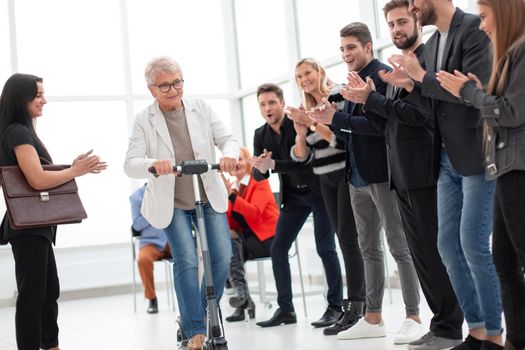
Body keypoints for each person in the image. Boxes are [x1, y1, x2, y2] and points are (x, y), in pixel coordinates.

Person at [340, 1, 465, 348]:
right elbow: (388, 123)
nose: (396, 29)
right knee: (422, 253)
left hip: (423, 170)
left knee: (433, 252)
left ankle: (450, 326)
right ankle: (441, 323)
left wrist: (372, 101)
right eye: (391, 24)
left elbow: (418, 116)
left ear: (417, 22)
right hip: (403, 173)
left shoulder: (424, 62)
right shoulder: (398, 67)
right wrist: (366, 100)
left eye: (401, 22)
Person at [388, 0, 504, 348]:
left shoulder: (472, 29)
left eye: (413, 2)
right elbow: (432, 103)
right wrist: (412, 86)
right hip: (444, 158)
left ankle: (495, 336)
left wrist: (421, 78)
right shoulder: (435, 43)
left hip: (475, 153)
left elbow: (473, 92)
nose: (412, 7)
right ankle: (478, 328)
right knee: (446, 247)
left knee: (473, 244)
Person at [309, 22, 422, 342]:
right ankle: (373, 318)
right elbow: (352, 130)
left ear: (368, 47)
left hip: (382, 175)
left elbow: (381, 126)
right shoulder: (354, 80)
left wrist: (338, 119)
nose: (346, 54)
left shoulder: (383, 76)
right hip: (356, 176)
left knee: (399, 246)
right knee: (368, 248)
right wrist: (330, 121)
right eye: (342, 49)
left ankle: (413, 315)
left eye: (351, 48)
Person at [124, 56, 239, 350]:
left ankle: (194, 316)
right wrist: (154, 164)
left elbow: (227, 139)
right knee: (186, 260)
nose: (174, 90)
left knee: (222, 257)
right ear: (152, 89)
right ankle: (195, 332)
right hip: (172, 201)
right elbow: (131, 164)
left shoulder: (201, 108)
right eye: (165, 86)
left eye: (177, 82)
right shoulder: (143, 119)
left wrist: (229, 155)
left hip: (207, 194)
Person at [435, 1, 525, 349]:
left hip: (517, 168)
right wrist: (478, 92)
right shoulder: (508, 56)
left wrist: (469, 93)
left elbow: (512, 112)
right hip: (505, 167)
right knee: (503, 260)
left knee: (507, 258)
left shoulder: (520, 53)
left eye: (485, 17)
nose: (483, 26)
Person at [0, 73, 106, 350]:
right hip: (28, 228)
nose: (44, 100)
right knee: (34, 296)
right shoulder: (17, 132)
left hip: (35, 227)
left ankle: (51, 345)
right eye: (38, 95)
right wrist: (75, 171)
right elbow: (36, 180)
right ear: (20, 98)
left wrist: (71, 167)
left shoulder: (20, 131)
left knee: (47, 292)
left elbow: (36, 174)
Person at [249, 83, 343, 328]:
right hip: (293, 198)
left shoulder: (297, 123)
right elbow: (261, 176)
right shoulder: (260, 135)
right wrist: (259, 167)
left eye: (271, 102)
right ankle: (286, 310)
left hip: (319, 192)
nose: (267, 108)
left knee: (325, 248)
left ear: (281, 103)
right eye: (262, 104)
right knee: (278, 249)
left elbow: (304, 162)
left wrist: (273, 165)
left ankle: (335, 307)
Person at [286, 58, 366, 333]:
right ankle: (352, 304)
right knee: (341, 238)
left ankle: (358, 304)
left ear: (320, 71)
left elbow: (341, 138)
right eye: (299, 76)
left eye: (307, 72)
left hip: (345, 173)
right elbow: (302, 156)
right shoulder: (307, 108)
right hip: (323, 178)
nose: (304, 79)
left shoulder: (338, 94)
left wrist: (311, 123)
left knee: (348, 238)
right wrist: (300, 130)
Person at [222, 147, 278, 322]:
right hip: (247, 240)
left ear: (248, 162)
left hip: (268, 239)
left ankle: (243, 301)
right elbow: (231, 224)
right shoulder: (234, 188)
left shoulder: (258, 180)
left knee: (228, 250)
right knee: (225, 249)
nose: (237, 163)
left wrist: (231, 196)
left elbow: (254, 213)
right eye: (234, 160)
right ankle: (243, 299)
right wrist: (224, 195)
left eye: (241, 159)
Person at [130, 185, 172, 314]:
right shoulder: (136, 197)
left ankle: (195, 296)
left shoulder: (169, 190)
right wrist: (152, 210)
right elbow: (137, 225)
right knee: (143, 260)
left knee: (192, 253)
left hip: (171, 240)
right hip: (151, 242)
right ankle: (152, 298)